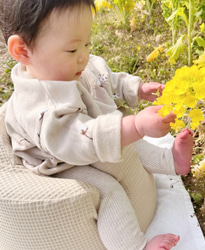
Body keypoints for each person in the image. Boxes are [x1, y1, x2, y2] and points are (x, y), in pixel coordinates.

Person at [0, 0, 193, 249]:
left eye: (87, 42)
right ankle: (134, 245)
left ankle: (172, 162)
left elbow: (105, 79)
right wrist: (136, 126)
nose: (84, 56)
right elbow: (77, 139)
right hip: (59, 159)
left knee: (127, 145)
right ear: (23, 51)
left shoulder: (73, 65)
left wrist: (137, 89)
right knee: (107, 190)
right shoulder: (39, 106)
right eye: (72, 50)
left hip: (87, 133)